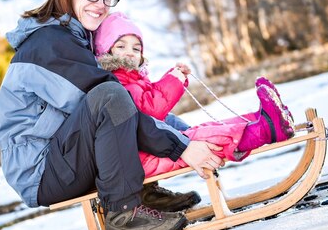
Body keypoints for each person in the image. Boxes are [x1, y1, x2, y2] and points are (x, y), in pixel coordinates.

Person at [0, 0, 224, 230]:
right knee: (111, 96)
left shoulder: (75, 39)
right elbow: (112, 106)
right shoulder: (50, 44)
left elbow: (132, 112)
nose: (100, 3)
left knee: (122, 96)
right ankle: (124, 215)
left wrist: (192, 136)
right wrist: (183, 148)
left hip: (62, 156)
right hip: (41, 171)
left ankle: (141, 192)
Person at [93, 12, 295, 177]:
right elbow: (150, 110)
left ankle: (261, 118)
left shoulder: (133, 79)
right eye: (121, 46)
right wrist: (174, 80)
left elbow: (152, 97)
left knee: (204, 129)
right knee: (202, 137)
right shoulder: (116, 83)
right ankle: (266, 129)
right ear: (105, 52)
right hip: (143, 158)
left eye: (136, 48)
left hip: (153, 148)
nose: (130, 52)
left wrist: (173, 77)